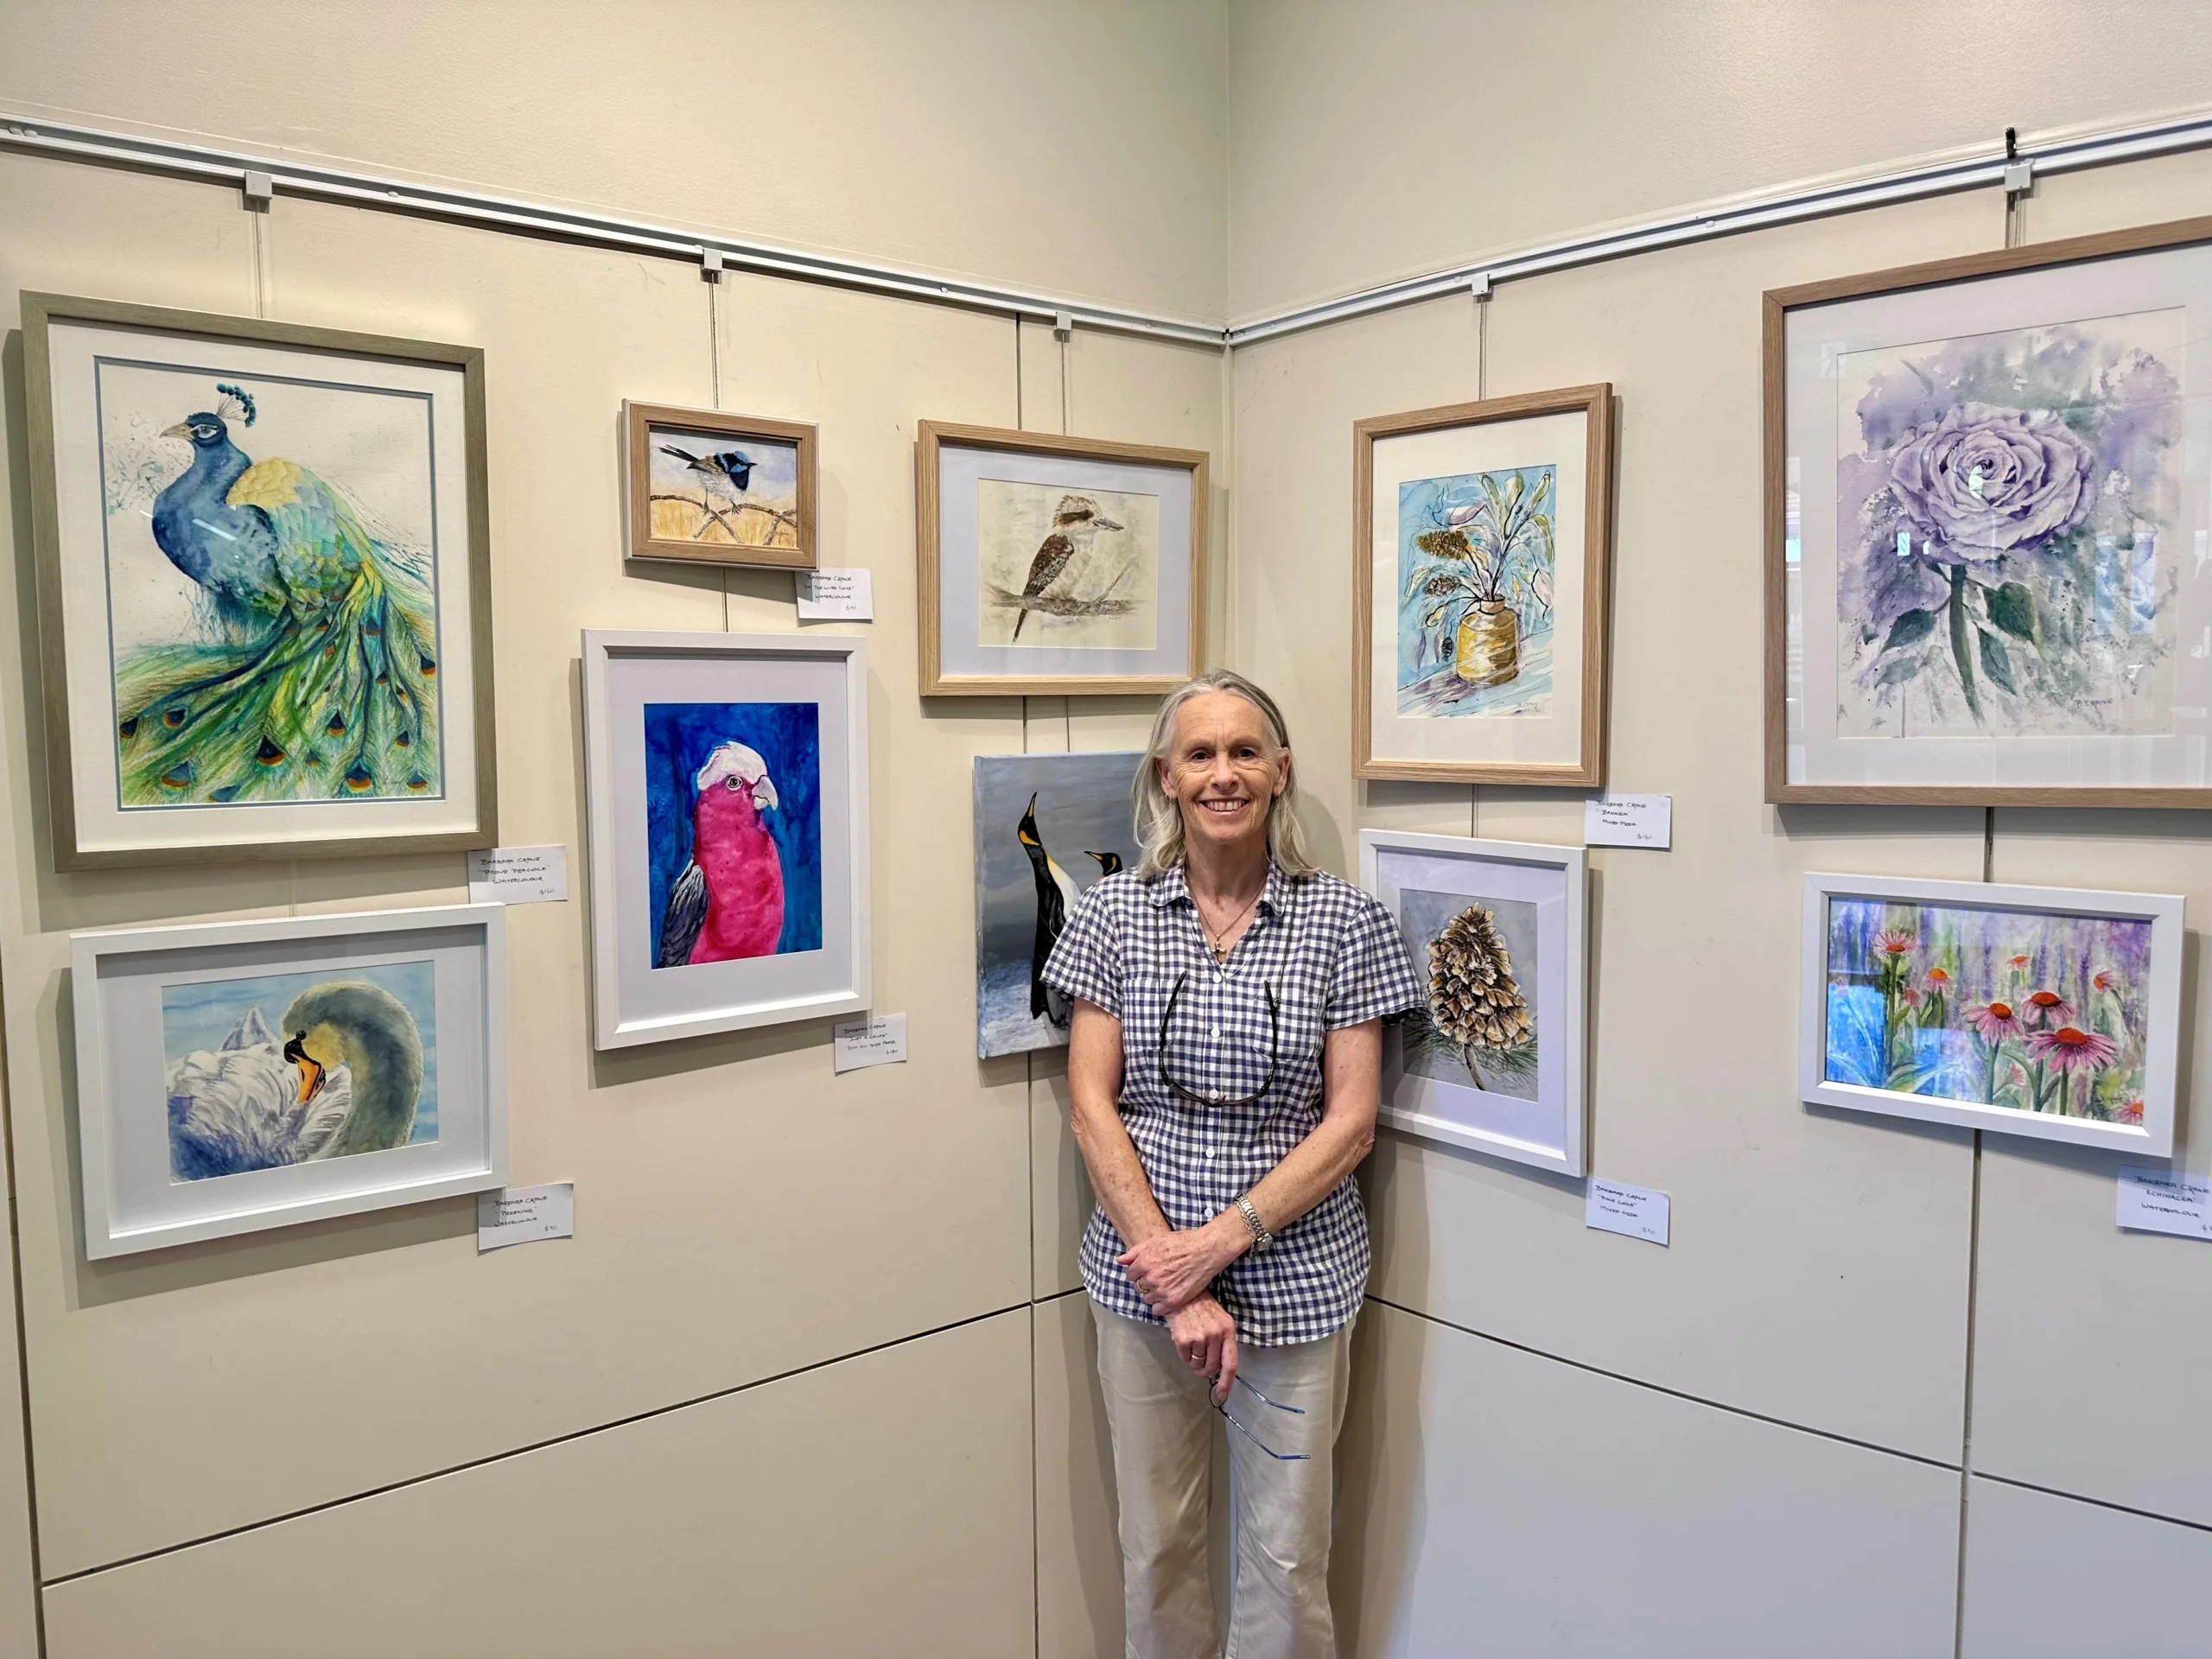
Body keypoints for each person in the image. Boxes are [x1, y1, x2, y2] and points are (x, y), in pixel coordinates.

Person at [1044, 670, 1421, 1659]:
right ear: (1165, 777)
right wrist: (1172, 1279)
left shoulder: (1344, 922)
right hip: (1143, 1290)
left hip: (1296, 1285)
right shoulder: (1115, 913)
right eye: (1201, 755)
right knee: (1157, 1542)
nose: (1224, 775)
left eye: (1245, 753)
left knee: (1287, 1557)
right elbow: (1091, 1105)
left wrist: (1212, 1249)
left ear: (1281, 772)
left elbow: (1350, 1125)